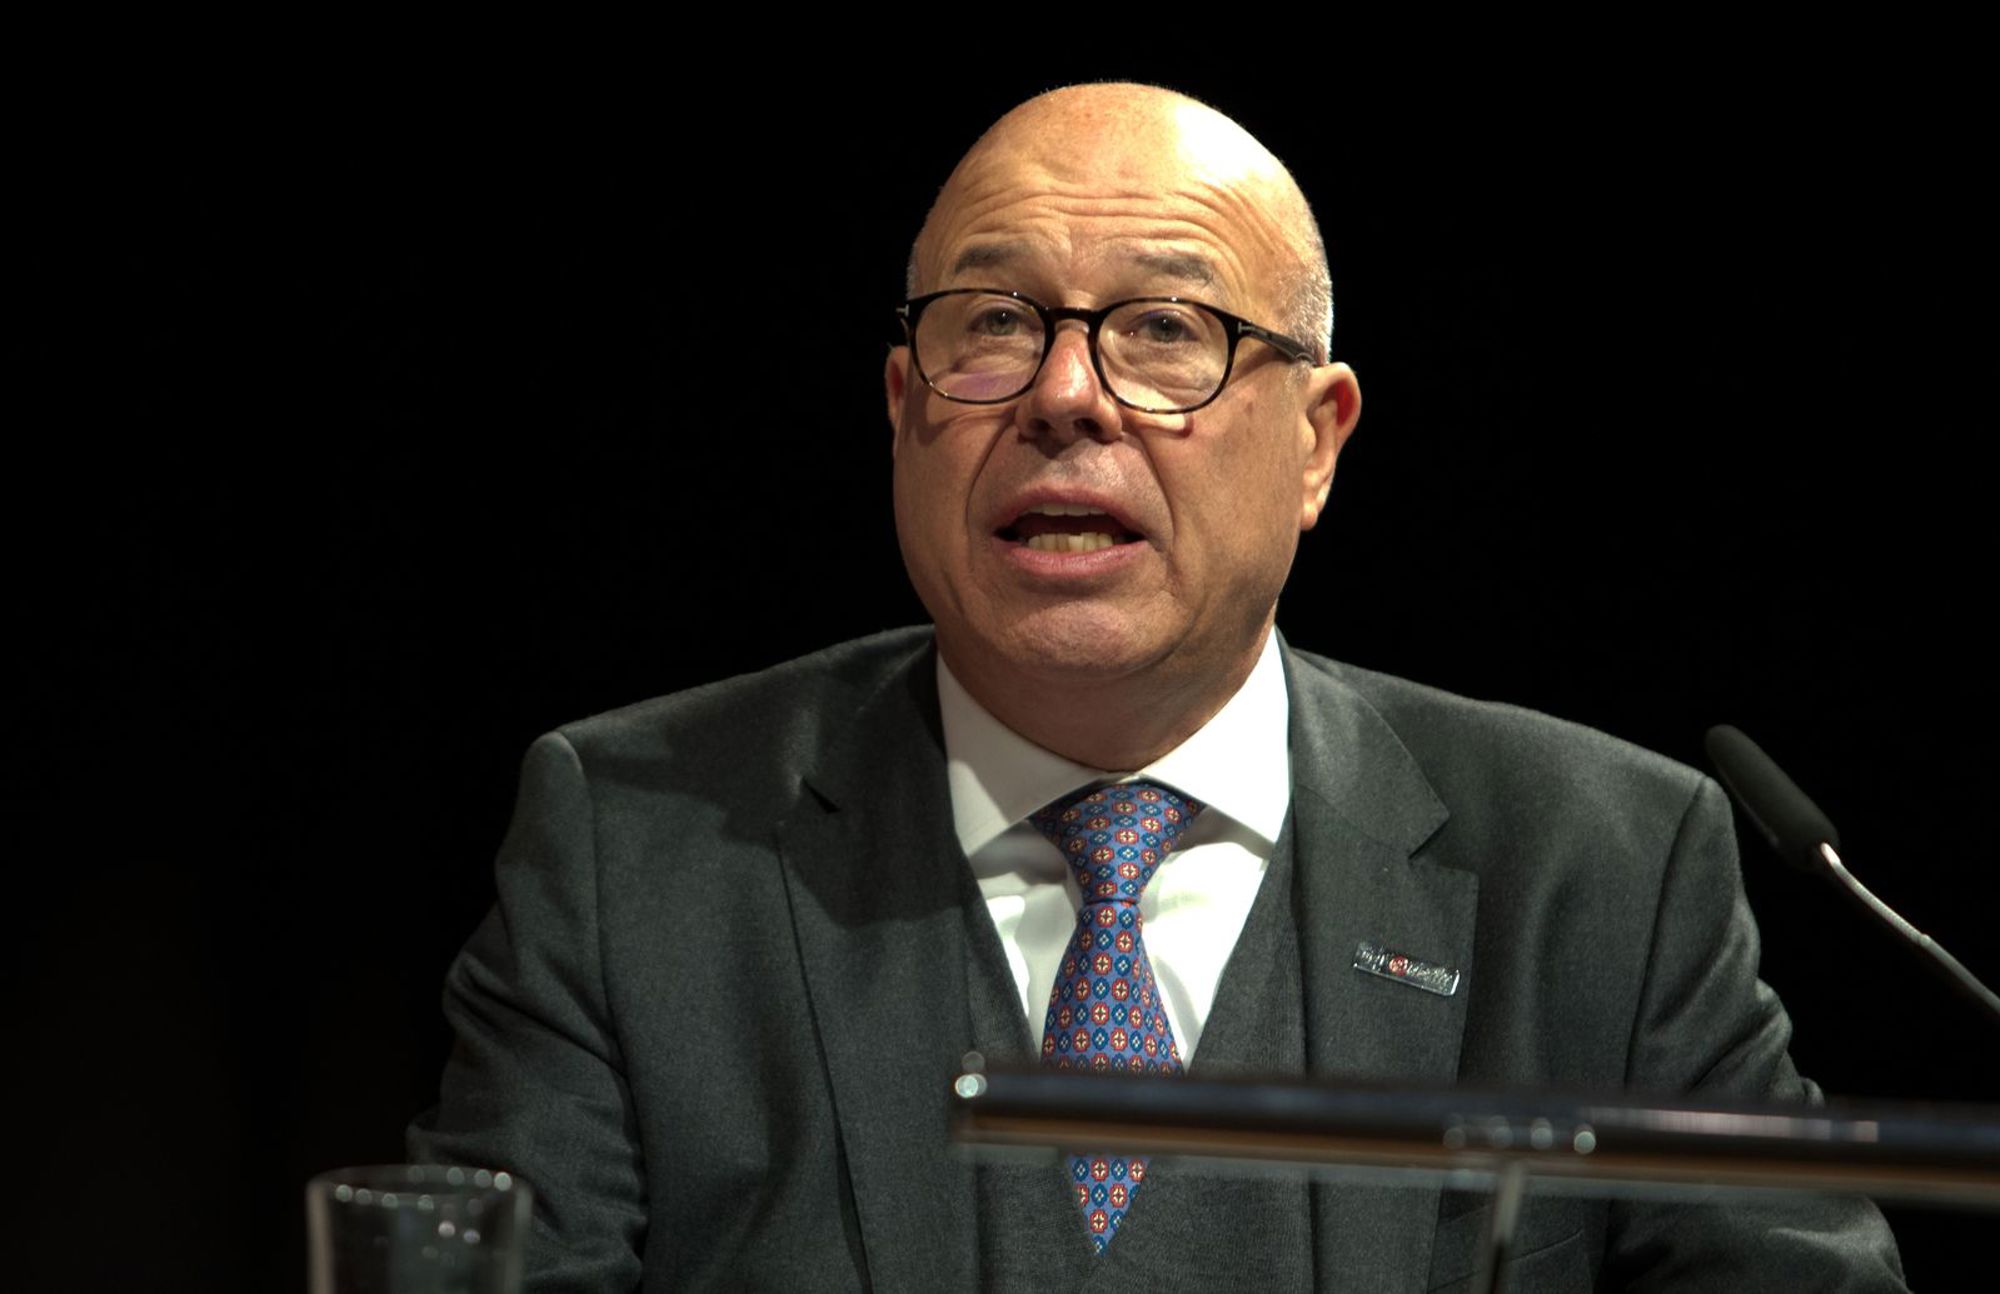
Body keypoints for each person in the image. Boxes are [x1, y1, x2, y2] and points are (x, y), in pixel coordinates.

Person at [410, 83, 1906, 1290]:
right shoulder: (634, 845)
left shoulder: (1602, 869)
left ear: (1317, 441)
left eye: (1167, 332)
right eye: (994, 324)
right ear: (902, 408)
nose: (1066, 395)